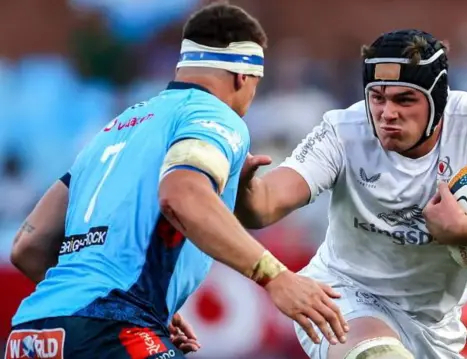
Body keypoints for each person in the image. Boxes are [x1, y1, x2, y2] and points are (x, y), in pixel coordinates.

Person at [7, 3, 347, 359]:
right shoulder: (214, 114)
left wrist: (131, 308)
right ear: (242, 77)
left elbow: (27, 246)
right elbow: (182, 195)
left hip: (31, 334)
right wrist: (276, 277)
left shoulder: (113, 129)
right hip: (112, 329)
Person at [235, 29, 467, 359]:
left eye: (405, 100)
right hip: (342, 294)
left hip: (436, 326)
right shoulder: (343, 130)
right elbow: (265, 206)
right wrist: (247, 190)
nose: (387, 113)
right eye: (377, 97)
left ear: (437, 101)